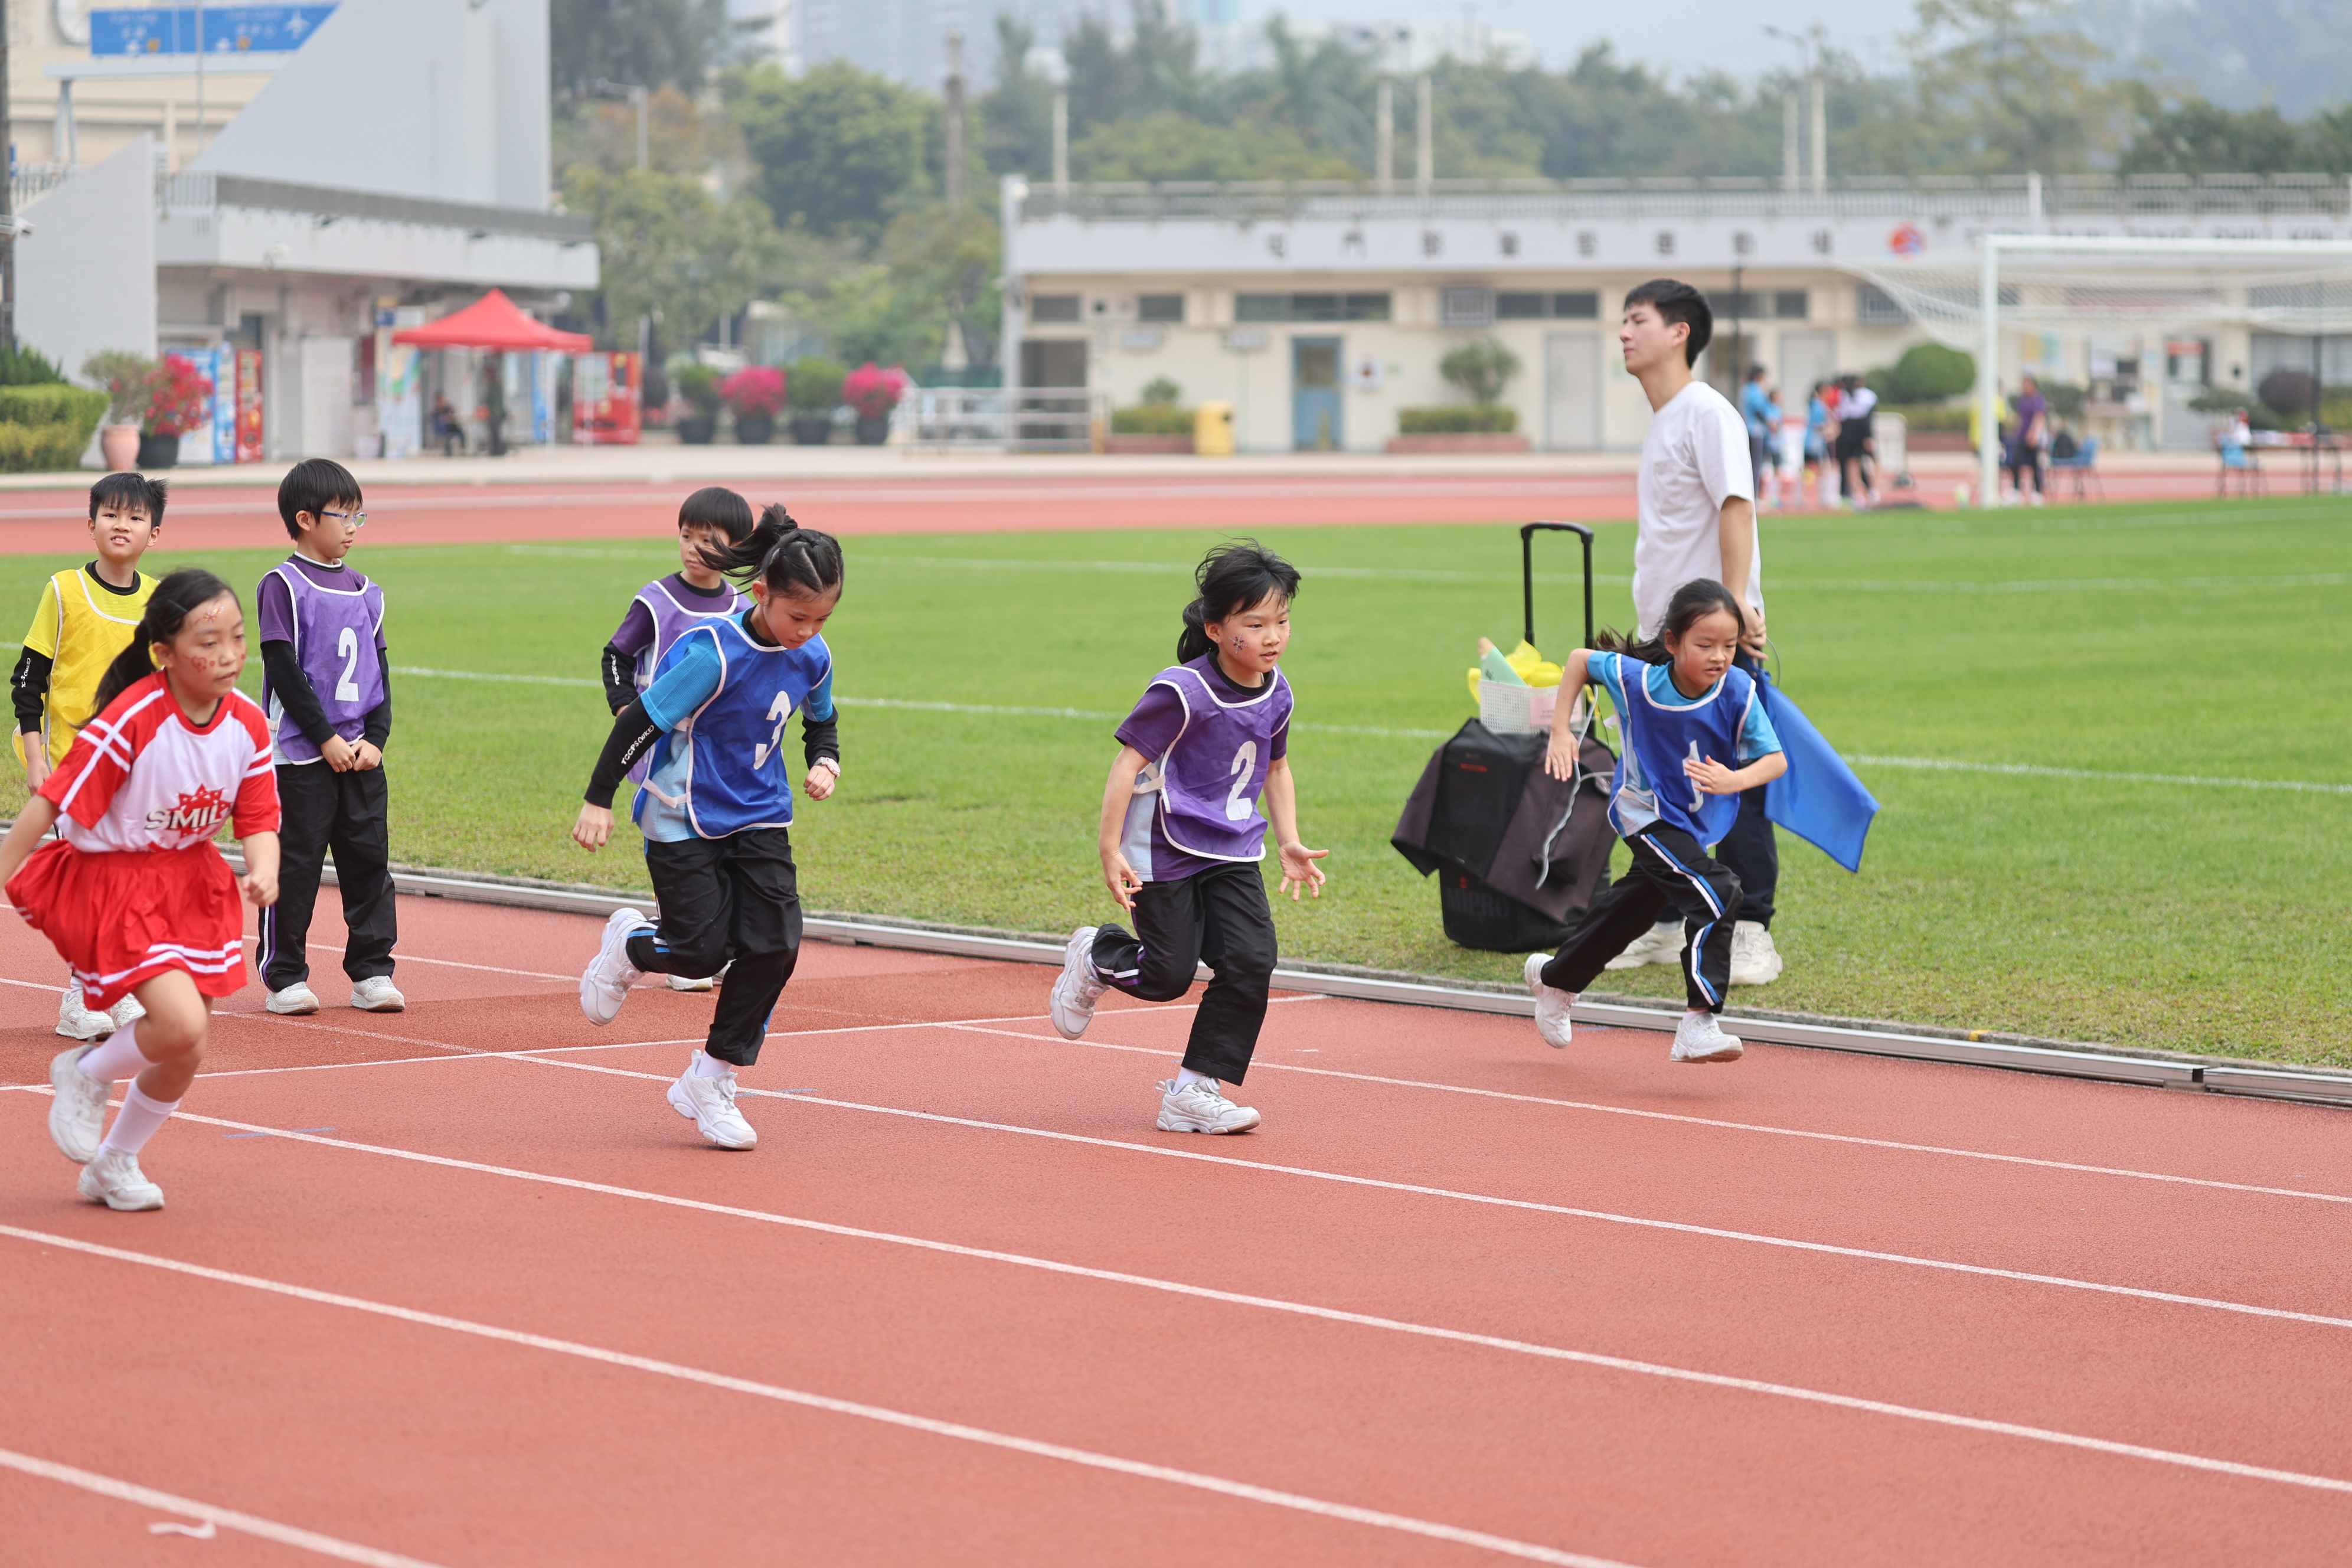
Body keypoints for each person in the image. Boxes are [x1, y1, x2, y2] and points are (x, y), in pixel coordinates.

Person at [0, 567, 281, 1211]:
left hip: (193, 883)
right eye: (208, 643)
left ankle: (114, 1161)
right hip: (117, 880)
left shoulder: (247, 723)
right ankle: (85, 1071)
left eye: (237, 638)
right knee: (178, 1022)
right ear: (164, 653)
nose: (229, 655)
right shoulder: (133, 718)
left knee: (188, 1045)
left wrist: (264, 867)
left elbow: (260, 816)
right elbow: (51, 802)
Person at [571, 507, 843, 1152]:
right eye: (798, 616)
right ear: (761, 593)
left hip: (762, 814)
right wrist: (598, 798)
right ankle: (631, 944)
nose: (809, 631)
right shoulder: (712, 653)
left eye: (823, 619)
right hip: (684, 815)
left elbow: (821, 719)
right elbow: (642, 720)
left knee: (776, 945)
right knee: (699, 954)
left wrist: (826, 759)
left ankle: (712, 1078)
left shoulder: (813, 655)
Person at [1047, 541, 1328, 1135]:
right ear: (1216, 629)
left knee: (1251, 959)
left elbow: (1276, 768)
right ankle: (1097, 956)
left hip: (1232, 848)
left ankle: (1193, 1090)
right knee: (1167, 976)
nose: (1273, 637)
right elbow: (1127, 766)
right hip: (1164, 846)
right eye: (1256, 624)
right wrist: (1109, 848)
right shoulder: (1182, 692)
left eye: (1282, 622)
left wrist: (1289, 841)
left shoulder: (1277, 691)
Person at [1523, 579, 1786, 1064]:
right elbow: (1580, 660)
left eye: (1729, 645)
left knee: (1633, 910)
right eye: (1705, 645)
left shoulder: (1737, 690)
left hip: (1692, 825)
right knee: (1719, 891)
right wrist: (1561, 731)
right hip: (1644, 813)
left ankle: (1554, 980)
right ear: (1673, 642)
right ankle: (1699, 1021)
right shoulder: (1638, 682)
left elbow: (1776, 760)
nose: (1719, 657)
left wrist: (1734, 779)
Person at [1607, 278, 1786, 988]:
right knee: (1657, 784)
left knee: (1733, 783)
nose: (1624, 333)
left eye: (1637, 320)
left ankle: (1753, 929)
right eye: (1623, 322)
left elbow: (1736, 506)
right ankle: (1661, 921)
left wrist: (1734, 611)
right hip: (1664, 641)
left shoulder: (1706, 412)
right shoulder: (1664, 421)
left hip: (1712, 640)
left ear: (1679, 332)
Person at [11, 471, 166, 1043]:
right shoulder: (63, 591)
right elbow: (28, 682)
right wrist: (36, 761)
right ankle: (80, 999)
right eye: (111, 515)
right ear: (91, 524)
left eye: (135, 517)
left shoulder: (160, 601)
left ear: (155, 533)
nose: (122, 525)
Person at [255, 459, 402, 1016]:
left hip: (361, 755)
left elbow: (378, 673)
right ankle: (285, 976)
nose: (352, 527)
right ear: (305, 519)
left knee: (370, 864)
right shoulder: (283, 585)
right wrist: (323, 738)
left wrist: (377, 737)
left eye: (358, 516)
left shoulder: (368, 591)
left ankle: (372, 971)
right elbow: (284, 669)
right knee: (296, 867)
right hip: (301, 756)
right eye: (343, 516)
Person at [600, 487, 757, 994]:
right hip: (663, 751)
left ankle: (710, 943)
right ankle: (678, 943)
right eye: (687, 536)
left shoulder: (743, 606)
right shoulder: (657, 600)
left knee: (722, 847)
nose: (693, 548)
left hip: (719, 755)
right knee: (675, 844)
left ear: (737, 546)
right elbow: (617, 655)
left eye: (708, 539)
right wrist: (626, 709)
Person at [1834, 373, 1879, 509]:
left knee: (1852, 464)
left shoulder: (1843, 395)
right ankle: (1874, 491)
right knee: (1872, 461)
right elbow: (1868, 416)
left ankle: (1857, 494)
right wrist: (1869, 436)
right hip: (1862, 431)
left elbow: (1840, 416)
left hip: (1848, 431)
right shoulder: (1867, 395)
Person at [2006, 373, 2049, 506]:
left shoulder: (2038, 400)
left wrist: (2033, 435)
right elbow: (2020, 418)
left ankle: (2037, 493)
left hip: (2033, 438)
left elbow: (2039, 418)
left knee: (2035, 465)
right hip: (2021, 437)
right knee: (2016, 462)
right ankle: (2016, 491)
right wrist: (2017, 432)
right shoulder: (2022, 400)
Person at [1740, 365, 1778, 509]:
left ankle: (1747, 495)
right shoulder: (1757, 390)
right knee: (1756, 464)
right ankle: (1754, 496)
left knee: (1748, 464)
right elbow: (1759, 410)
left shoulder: (1746, 389)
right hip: (1756, 431)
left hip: (1747, 429)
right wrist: (1770, 423)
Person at [1805, 381, 1835, 509]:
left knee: (1816, 468)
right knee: (1817, 468)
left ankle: (1818, 496)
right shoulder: (1818, 405)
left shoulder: (1818, 404)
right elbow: (1817, 425)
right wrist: (1828, 429)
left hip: (1816, 442)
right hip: (1815, 442)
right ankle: (1820, 496)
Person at [431, 392, 462, 458]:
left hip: (451, 427)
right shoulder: (436, 410)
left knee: (461, 433)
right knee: (447, 435)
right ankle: (448, 451)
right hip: (443, 429)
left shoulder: (448, 408)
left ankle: (463, 450)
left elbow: (453, 415)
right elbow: (436, 419)